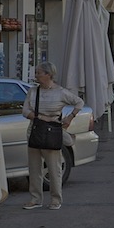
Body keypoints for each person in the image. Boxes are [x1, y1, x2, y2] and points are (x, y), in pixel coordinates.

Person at [22, 62, 83, 210]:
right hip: (35, 131)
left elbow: (79, 102)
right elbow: (25, 111)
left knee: (54, 168)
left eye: (39, 73)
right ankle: (36, 199)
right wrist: (43, 118)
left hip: (52, 133)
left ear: (48, 75)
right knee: (34, 168)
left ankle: (56, 199)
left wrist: (69, 118)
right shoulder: (33, 91)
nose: (36, 75)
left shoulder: (60, 92)